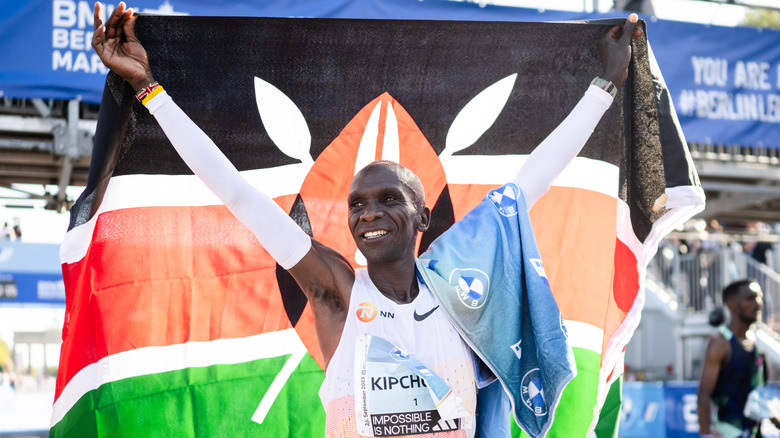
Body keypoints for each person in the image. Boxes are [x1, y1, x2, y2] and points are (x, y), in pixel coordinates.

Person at [92, 2, 640, 436]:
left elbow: (529, 183)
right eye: (356, 204)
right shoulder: (337, 292)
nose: (368, 213)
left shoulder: (461, 291)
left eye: (386, 200)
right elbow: (237, 193)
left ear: (423, 215)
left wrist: (606, 86)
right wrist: (148, 90)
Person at [698, 279, 770, 438]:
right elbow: (703, 392)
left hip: (755, 431)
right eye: (750, 298)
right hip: (728, 431)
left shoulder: (755, 342)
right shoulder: (720, 343)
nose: (758, 303)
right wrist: (705, 434)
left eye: (759, 297)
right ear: (732, 305)